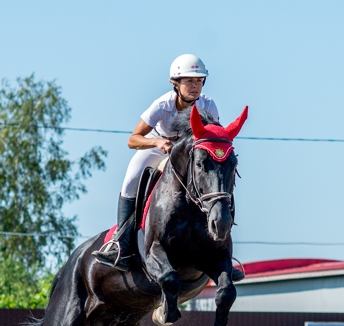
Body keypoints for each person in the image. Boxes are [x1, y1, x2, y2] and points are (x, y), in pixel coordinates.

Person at [93, 54, 244, 281]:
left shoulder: (208, 105)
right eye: (189, 81)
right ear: (176, 83)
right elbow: (133, 139)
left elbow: (212, 140)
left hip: (189, 154)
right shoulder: (162, 105)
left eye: (199, 81)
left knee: (218, 176)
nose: (195, 86)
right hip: (157, 148)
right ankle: (120, 243)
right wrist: (156, 142)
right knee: (131, 179)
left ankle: (222, 250)